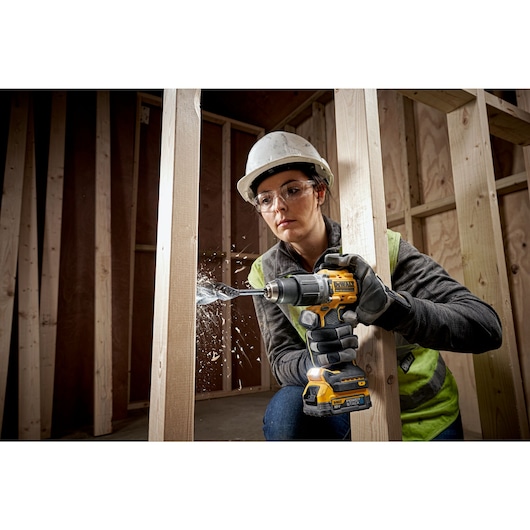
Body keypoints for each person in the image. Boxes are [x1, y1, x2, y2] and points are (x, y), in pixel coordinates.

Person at [236, 131, 502, 441]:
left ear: (320, 192)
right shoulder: (265, 272)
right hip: (347, 405)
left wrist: (393, 308)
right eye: (265, 199)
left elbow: (485, 327)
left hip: (424, 414)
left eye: (292, 190)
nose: (278, 207)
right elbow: (281, 359)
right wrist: (317, 360)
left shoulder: (381, 248)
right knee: (286, 411)